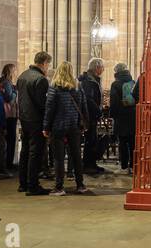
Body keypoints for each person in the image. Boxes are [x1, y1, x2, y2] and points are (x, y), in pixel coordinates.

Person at [43, 61, 90, 196]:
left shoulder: (54, 87)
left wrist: (46, 127)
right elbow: (84, 106)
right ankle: (80, 185)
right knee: (76, 156)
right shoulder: (77, 86)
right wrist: (84, 124)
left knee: (58, 158)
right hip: (74, 126)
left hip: (58, 126)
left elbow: (49, 109)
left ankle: (59, 187)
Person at [16, 52, 52, 195]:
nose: (48, 67)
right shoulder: (41, 79)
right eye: (48, 64)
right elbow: (43, 104)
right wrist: (47, 122)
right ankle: (33, 186)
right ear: (44, 63)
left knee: (25, 151)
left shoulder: (23, 75)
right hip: (36, 120)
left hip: (24, 118)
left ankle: (23, 184)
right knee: (35, 153)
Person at [79, 59, 107, 173]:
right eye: (102, 67)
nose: (103, 69)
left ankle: (92, 163)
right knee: (90, 140)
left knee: (93, 140)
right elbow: (89, 99)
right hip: (89, 115)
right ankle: (88, 165)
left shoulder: (92, 79)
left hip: (92, 115)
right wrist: (98, 111)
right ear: (97, 68)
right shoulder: (89, 81)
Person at [110, 62, 138, 173]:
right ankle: (133, 165)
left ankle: (124, 166)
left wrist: (112, 115)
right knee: (133, 142)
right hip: (133, 116)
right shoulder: (133, 82)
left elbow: (114, 102)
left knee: (122, 142)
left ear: (116, 72)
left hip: (121, 117)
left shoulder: (115, 84)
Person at [0, 63, 19, 169]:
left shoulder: (2, 81)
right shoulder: (7, 83)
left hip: (7, 114)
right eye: (15, 70)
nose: (16, 72)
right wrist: (15, 91)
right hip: (9, 114)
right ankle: (8, 164)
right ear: (11, 72)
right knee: (10, 139)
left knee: (8, 140)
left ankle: (7, 163)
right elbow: (9, 98)